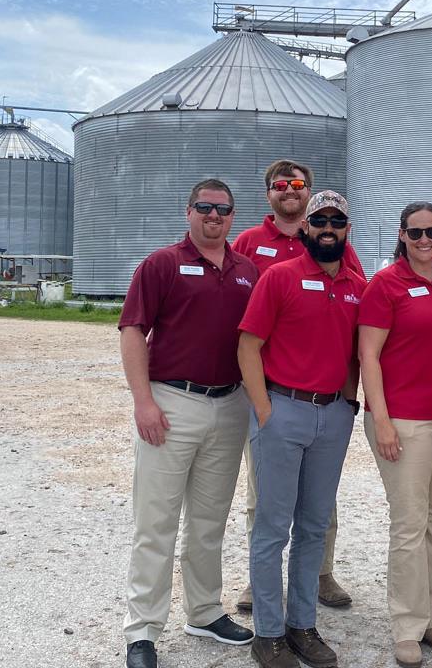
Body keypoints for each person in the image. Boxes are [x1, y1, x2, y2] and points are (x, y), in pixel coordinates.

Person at [118, 179, 258, 668]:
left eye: (222, 209)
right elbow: (133, 329)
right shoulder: (162, 264)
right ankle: (143, 630)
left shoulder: (247, 271)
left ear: (233, 216)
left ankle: (203, 610)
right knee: (155, 522)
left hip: (230, 405)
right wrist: (143, 401)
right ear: (189, 211)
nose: (213, 216)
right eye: (204, 207)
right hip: (172, 402)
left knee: (208, 522)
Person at [237, 190, 366, 668]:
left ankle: (302, 625)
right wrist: (264, 411)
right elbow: (248, 347)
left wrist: (349, 403)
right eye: (320, 220)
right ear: (306, 228)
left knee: (314, 526)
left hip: (332, 415)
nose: (328, 228)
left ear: (346, 229)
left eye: (337, 221)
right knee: (273, 527)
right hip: (282, 410)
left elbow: (359, 349)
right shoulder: (280, 278)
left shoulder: (356, 283)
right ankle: (268, 633)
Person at [359, 202, 432, 668]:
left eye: (430, 232)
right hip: (401, 419)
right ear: (402, 236)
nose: (424, 241)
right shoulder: (385, 285)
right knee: (408, 524)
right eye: (415, 233)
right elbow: (368, 356)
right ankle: (406, 625)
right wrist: (381, 420)